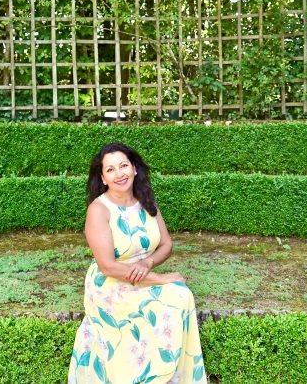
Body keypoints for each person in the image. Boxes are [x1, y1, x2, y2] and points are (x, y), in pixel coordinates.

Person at [68, 143, 208, 383]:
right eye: (110, 169)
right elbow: (108, 267)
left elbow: (166, 244)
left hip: (139, 275)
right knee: (176, 295)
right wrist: (162, 278)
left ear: (134, 169)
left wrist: (147, 262)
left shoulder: (145, 200)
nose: (119, 173)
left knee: (182, 296)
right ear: (103, 178)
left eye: (123, 166)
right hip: (110, 285)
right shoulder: (99, 210)